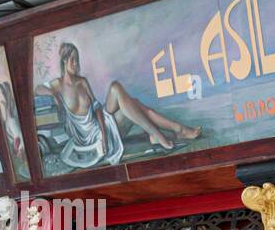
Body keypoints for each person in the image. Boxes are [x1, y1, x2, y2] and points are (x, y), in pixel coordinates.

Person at [36, 43, 200, 170]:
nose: (75, 63)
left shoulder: (82, 81)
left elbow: (97, 108)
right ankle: (171, 131)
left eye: (77, 59)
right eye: (72, 59)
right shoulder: (57, 85)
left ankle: (165, 132)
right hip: (89, 139)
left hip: (101, 129)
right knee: (134, 104)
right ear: (64, 60)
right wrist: (53, 94)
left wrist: (104, 135)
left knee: (118, 90)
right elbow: (38, 89)